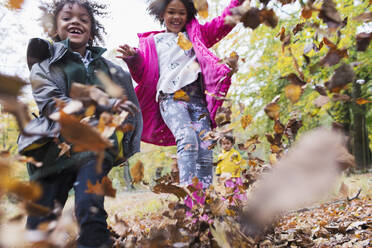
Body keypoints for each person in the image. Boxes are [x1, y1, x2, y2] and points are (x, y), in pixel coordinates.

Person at [17, 1, 142, 247]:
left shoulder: (110, 70)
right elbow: (53, 105)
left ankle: (95, 242)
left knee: (90, 204)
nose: (76, 22)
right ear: (56, 27)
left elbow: (130, 104)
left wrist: (125, 142)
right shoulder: (44, 66)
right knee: (41, 220)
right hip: (53, 148)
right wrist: (103, 103)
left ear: (92, 29)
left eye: (84, 19)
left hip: (94, 147)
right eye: (67, 18)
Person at [117, 0, 245, 188]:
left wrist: (238, 2)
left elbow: (224, 22)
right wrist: (133, 58)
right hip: (170, 99)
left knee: (205, 146)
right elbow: (142, 74)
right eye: (171, 12)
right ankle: (189, 196)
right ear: (161, 14)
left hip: (197, 100)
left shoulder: (196, 35)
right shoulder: (153, 42)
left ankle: (204, 202)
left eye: (181, 13)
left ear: (189, 15)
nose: (176, 17)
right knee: (187, 138)